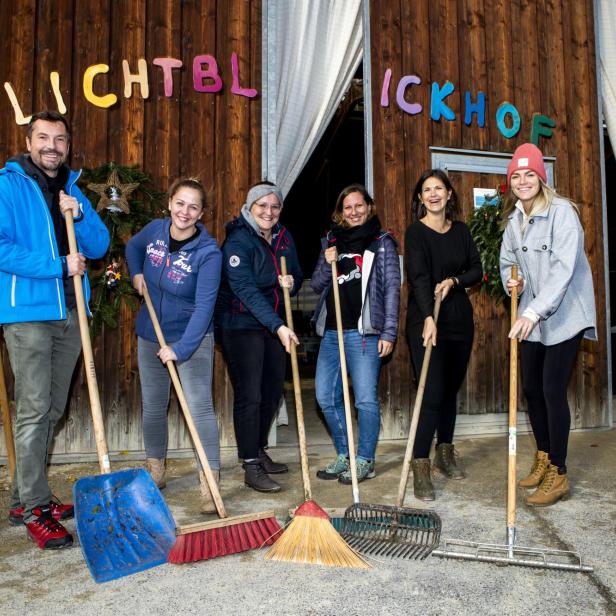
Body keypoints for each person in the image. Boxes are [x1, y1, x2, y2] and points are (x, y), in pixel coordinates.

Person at [0, 110, 110, 549]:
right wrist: (57, 266)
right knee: (33, 408)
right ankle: (35, 507)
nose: (52, 146)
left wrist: (79, 214)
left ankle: (23, 496)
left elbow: (99, 246)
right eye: (43, 138)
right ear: (29, 142)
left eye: (59, 139)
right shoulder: (8, 185)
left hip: (70, 313)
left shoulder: (72, 187)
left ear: (67, 145)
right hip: (27, 312)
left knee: (52, 409)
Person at [500, 143, 597, 507]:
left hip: (564, 314)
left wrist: (532, 311)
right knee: (532, 389)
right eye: (516, 176)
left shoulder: (562, 213)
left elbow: (562, 271)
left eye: (530, 175)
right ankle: (542, 456)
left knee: (553, 388)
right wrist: (514, 282)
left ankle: (559, 472)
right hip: (533, 314)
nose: (523, 181)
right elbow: (508, 260)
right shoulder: (514, 220)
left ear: (542, 178)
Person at [126, 177, 222, 512]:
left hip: (191, 338)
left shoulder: (208, 254)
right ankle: (156, 468)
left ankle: (209, 479)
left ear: (201, 213)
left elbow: (204, 308)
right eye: (180, 203)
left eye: (193, 206)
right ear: (169, 203)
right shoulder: (154, 231)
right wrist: (136, 273)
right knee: (153, 405)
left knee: (199, 408)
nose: (185, 211)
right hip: (151, 332)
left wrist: (180, 349)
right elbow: (132, 248)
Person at [216, 181, 302, 493]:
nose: (268, 211)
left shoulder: (284, 237)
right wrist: (278, 326)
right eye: (262, 205)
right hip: (240, 323)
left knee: (271, 391)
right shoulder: (238, 241)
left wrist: (291, 283)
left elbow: (296, 275)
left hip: (272, 323)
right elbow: (246, 291)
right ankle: (250, 464)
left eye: (274, 206)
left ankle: (259, 448)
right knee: (250, 394)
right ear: (250, 207)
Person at [311, 184, 400, 484]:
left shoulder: (382, 242)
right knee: (325, 396)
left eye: (358, 205)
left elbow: (391, 290)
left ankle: (365, 460)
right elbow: (316, 285)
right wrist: (327, 261)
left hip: (364, 333)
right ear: (340, 212)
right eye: (347, 207)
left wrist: (388, 332)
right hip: (332, 333)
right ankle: (345, 453)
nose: (354, 212)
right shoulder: (331, 240)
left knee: (364, 400)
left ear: (369, 207)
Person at [405, 169, 482, 501]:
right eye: (427, 190)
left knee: (450, 390)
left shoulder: (461, 231)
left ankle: (444, 453)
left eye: (439, 188)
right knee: (431, 393)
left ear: (449, 194)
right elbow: (419, 277)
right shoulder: (416, 233)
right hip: (427, 320)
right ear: (420, 198)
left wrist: (454, 281)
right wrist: (426, 316)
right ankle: (420, 465)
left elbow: (476, 269)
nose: (433, 194)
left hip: (459, 319)